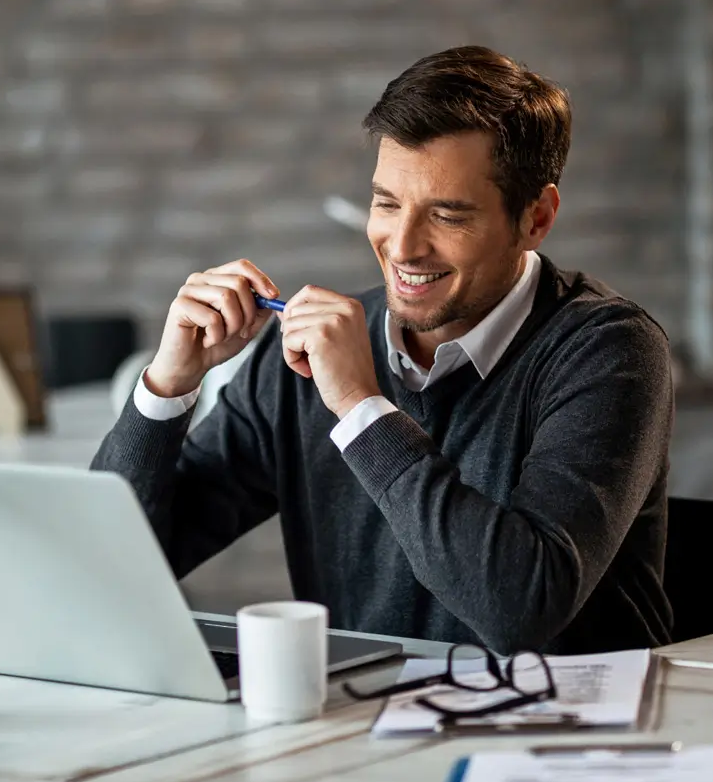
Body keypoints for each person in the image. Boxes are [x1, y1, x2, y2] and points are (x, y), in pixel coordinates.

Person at [92, 46, 674, 656]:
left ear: (536, 218)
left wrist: (359, 406)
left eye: (447, 216)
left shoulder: (610, 350)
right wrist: (167, 388)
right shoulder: (299, 354)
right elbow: (108, 570)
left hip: (562, 735)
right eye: (386, 203)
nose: (402, 246)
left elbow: (518, 609)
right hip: (366, 725)